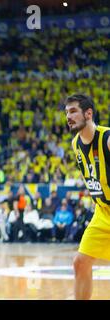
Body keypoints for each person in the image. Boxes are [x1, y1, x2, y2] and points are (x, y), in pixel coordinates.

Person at [65, 94, 110, 300]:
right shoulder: (75, 144)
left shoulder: (107, 139)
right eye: (66, 112)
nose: (68, 116)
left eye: (73, 111)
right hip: (102, 213)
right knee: (80, 263)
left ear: (88, 113)